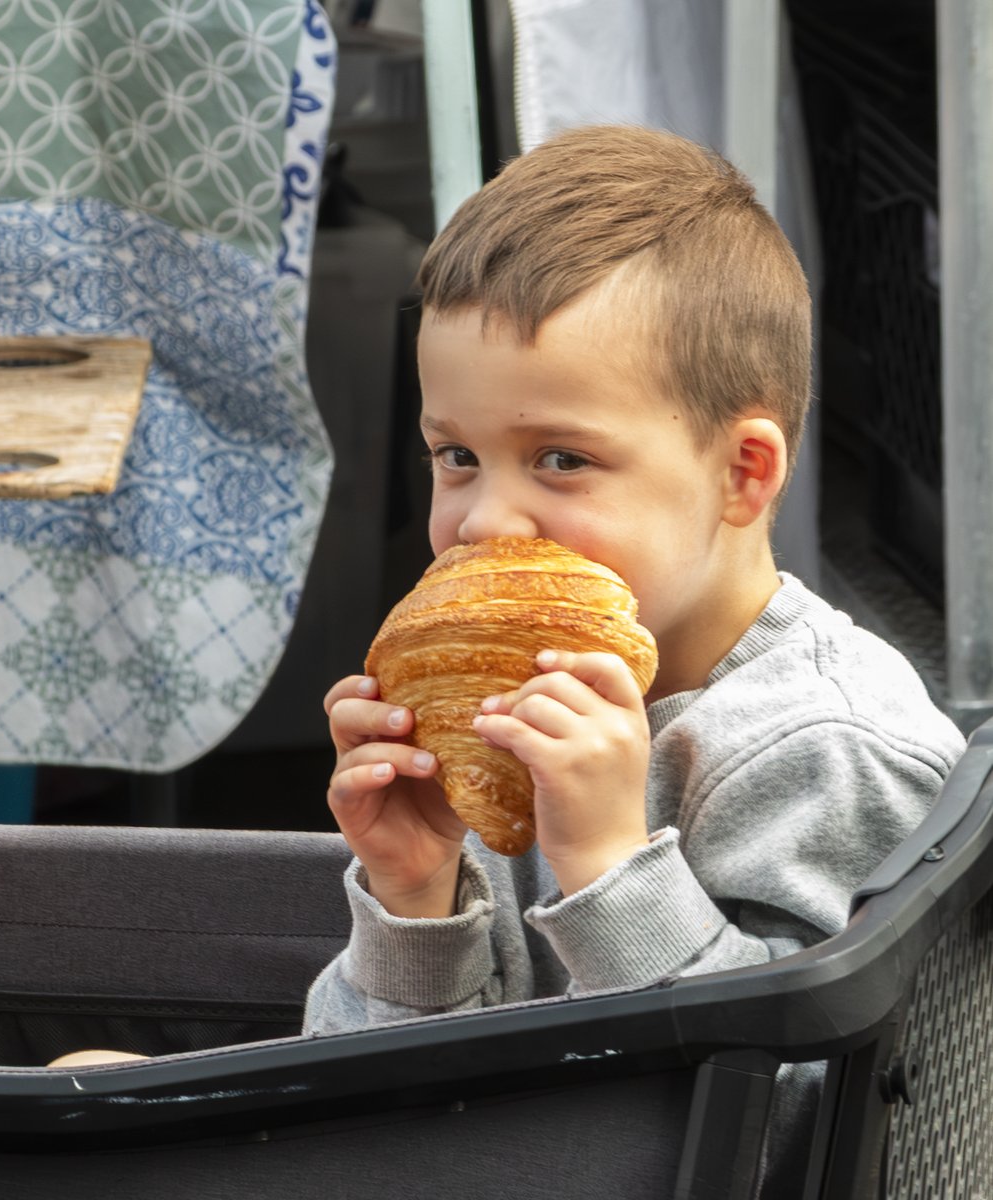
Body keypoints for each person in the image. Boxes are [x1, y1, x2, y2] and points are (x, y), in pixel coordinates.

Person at [303, 124, 965, 1189]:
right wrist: (415, 893)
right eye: (456, 455)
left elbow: (799, 1145)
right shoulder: (505, 705)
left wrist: (610, 867)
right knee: (87, 1079)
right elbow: (373, 1109)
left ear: (741, 474)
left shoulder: (822, 749)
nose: (484, 521)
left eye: (561, 458)